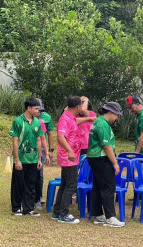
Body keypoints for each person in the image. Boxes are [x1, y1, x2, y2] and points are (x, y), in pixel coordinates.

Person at [87, 102, 125, 227]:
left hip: (94, 157)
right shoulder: (103, 124)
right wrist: (115, 163)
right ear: (110, 113)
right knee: (109, 186)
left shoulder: (98, 122)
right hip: (101, 157)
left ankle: (98, 215)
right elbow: (106, 146)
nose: (117, 118)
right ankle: (110, 217)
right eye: (116, 115)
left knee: (98, 186)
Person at [9, 97, 44, 216]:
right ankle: (16, 208)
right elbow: (15, 141)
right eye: (35, 109)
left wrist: (39, 158)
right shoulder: (18, 121)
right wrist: (17, 160)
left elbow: (39, 140)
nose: (37, 111)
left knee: (31, 184)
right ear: (28, 108)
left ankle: (28, 208)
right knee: (18, 184)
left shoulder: (37, 122)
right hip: (21, 159)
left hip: (33, 159)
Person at [52, 96, 82, 224]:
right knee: (71, 185)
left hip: (71, 157)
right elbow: (60, 136)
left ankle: (57, 211)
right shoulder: (65, 119)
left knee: (65, 185)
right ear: (78, 107)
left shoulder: (71, 118)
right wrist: (70, 151)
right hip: (68, 157)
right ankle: (64, 214)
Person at [35, 98, 54, 205]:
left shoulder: (46, 118)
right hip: (30, 149)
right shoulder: (28, 117)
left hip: (42, 149)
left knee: (40, 173)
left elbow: (49, 134)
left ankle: (39, 195)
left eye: (40, 110)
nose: (38, 112)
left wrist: (50, 151)